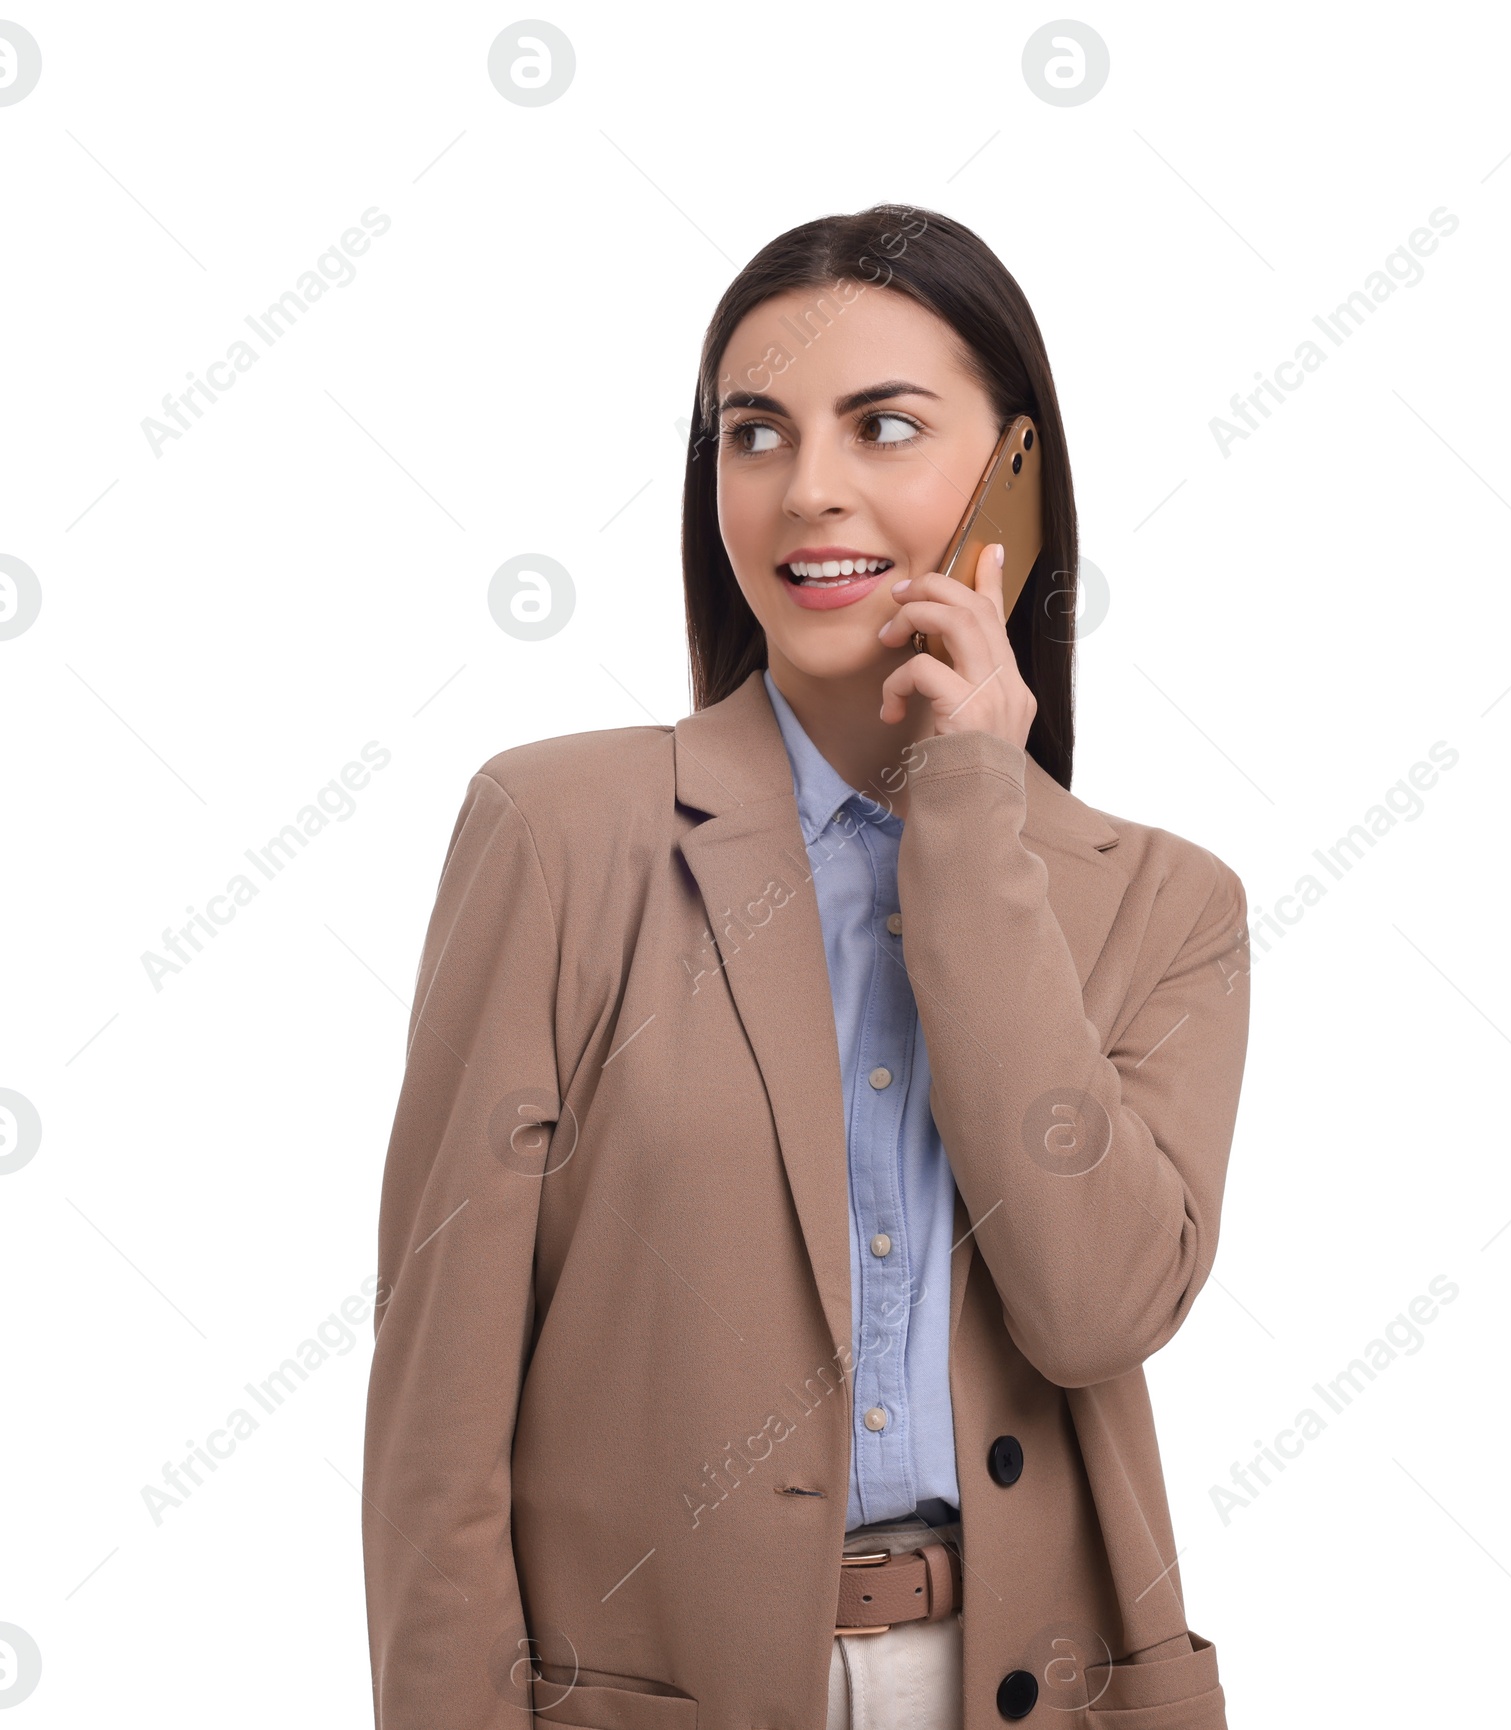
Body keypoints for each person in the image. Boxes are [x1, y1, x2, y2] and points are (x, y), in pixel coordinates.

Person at [362, 204, 1252, 1730]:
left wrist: (969, 816)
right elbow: (439, 1418)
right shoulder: (560, 835)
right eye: (753, 434)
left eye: (885, 427)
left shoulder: (1165, 905)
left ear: (1010, 480)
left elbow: (1093, 1305)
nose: (806, 491)